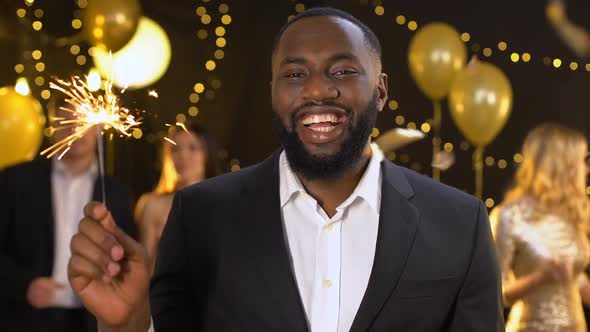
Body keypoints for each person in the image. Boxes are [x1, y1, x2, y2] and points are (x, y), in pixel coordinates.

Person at [68, 7, 504, 332]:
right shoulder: (202, 215)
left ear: (381, 90)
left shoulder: (459, 223)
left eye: (344, 70)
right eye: (295, 75)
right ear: (273, 91)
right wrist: (128, 323)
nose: (317, 88)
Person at [0, 93, 136, 332]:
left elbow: (127, 257)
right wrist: (24, 286)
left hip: (91, 321)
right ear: (53, 125)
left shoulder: (118, 194)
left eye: (82, 118)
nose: (76, 127)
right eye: (66, 119)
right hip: (24, 318)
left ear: (99, 126)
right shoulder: (15, 180)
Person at [490, 123, 590, 331]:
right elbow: (493, 295)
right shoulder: (509, 216)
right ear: (562, 165)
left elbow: (576, 279)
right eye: (581, 161)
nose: (586, 169)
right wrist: (540, 277)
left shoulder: (573, 213)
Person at [135, 123, 220, 270]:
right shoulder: (152, 205)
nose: (183, 155)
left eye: (192, 148)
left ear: (207, 154)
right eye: (175, 149)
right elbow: (146, 266)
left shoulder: (223, 202)